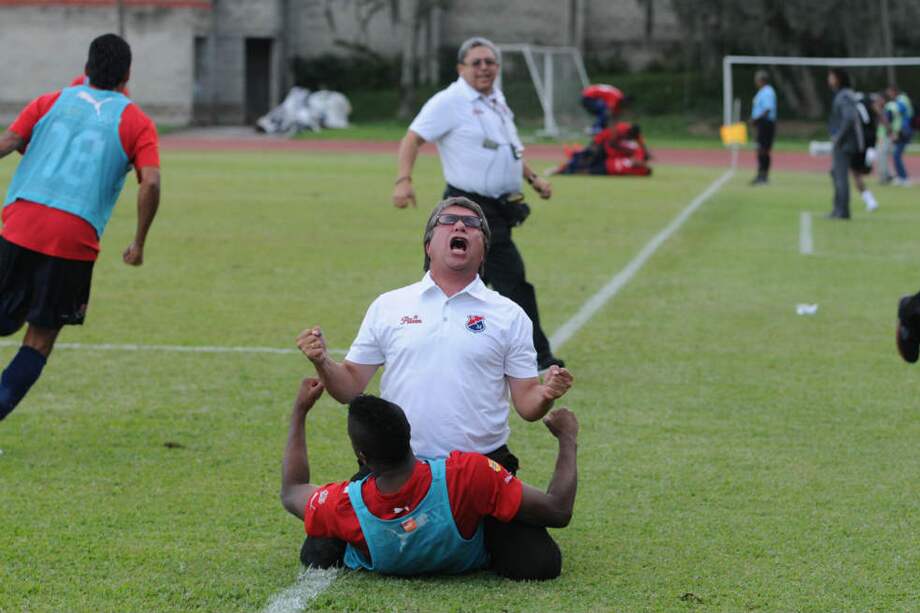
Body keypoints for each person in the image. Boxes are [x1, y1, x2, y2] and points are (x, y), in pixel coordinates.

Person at [297, 196, 574, 579]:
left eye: (472, 224)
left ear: (483, 251)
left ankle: (463, 533)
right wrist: (322, 361)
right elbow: (349, 387)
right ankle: (451, 534)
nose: (460, 227)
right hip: (398, 468)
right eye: (448, 221)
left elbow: (526, 404)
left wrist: (544, 393)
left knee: (537, 564)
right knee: (318, 552)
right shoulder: (390, 305)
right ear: (429, 245)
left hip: (481, 469)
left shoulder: (508, 314)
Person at [0, 33, 160, 421]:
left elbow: (8, 141)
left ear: (86, 69)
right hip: (73, 238)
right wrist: (138, 242)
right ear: (128, 75)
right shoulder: (137, 121)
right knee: (38, 341)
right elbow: (151, 182)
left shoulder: (51, 100)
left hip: (19, 223)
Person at [280, 378, 579, 578]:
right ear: (410, 433)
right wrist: (567, 438)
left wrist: (300, 411)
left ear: (362, 457)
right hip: (468, 523)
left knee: (317, 548)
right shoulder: (467, 474)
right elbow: (557, 509)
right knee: (538, 556)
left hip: (363, 525)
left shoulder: (343, 504)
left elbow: (293, 491)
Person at [391, 36, 565, 371]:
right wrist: (403, 180)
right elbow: (412, 137)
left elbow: (507, 149)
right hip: (470, 210)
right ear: (461, 68)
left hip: (498, 208)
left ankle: (428, 344)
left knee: (462, 284)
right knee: (508, 283)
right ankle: (537, 357)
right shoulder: (450, 101)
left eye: (490, 62)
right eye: (477, 63)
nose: (485, 68)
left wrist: (532, 179)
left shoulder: (495, 99)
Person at [826, 68, 863, 220]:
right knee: (835, 173)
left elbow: (848, 119)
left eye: (831, 77)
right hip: (844, 142)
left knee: (840, 176)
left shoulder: (845, 96)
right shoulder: (842, 95)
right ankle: (838, 209)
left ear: (839, 79)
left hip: (845, 143)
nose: (829, 80)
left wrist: (838, 137)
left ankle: (842, 211)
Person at [749, 70, 777, 185]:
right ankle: (761, 174)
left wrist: (756, 119)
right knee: (760, 149)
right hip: (763, 123)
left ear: (761, 80)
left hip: (766, 124)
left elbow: (767, 109)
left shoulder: (767, 92)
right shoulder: (763, 91)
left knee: (763, 150)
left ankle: (763, 176)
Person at [885, 85, 913, 187]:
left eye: (890, 92)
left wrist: (888, 107)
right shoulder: (897, 101)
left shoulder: (902, 100)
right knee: (895, 155)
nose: (889, 95)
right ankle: (901, 177)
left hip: (904, 131)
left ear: (894, 91)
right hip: (899, 131)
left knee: (896, 155)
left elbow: (899, 111)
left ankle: (904, 178)